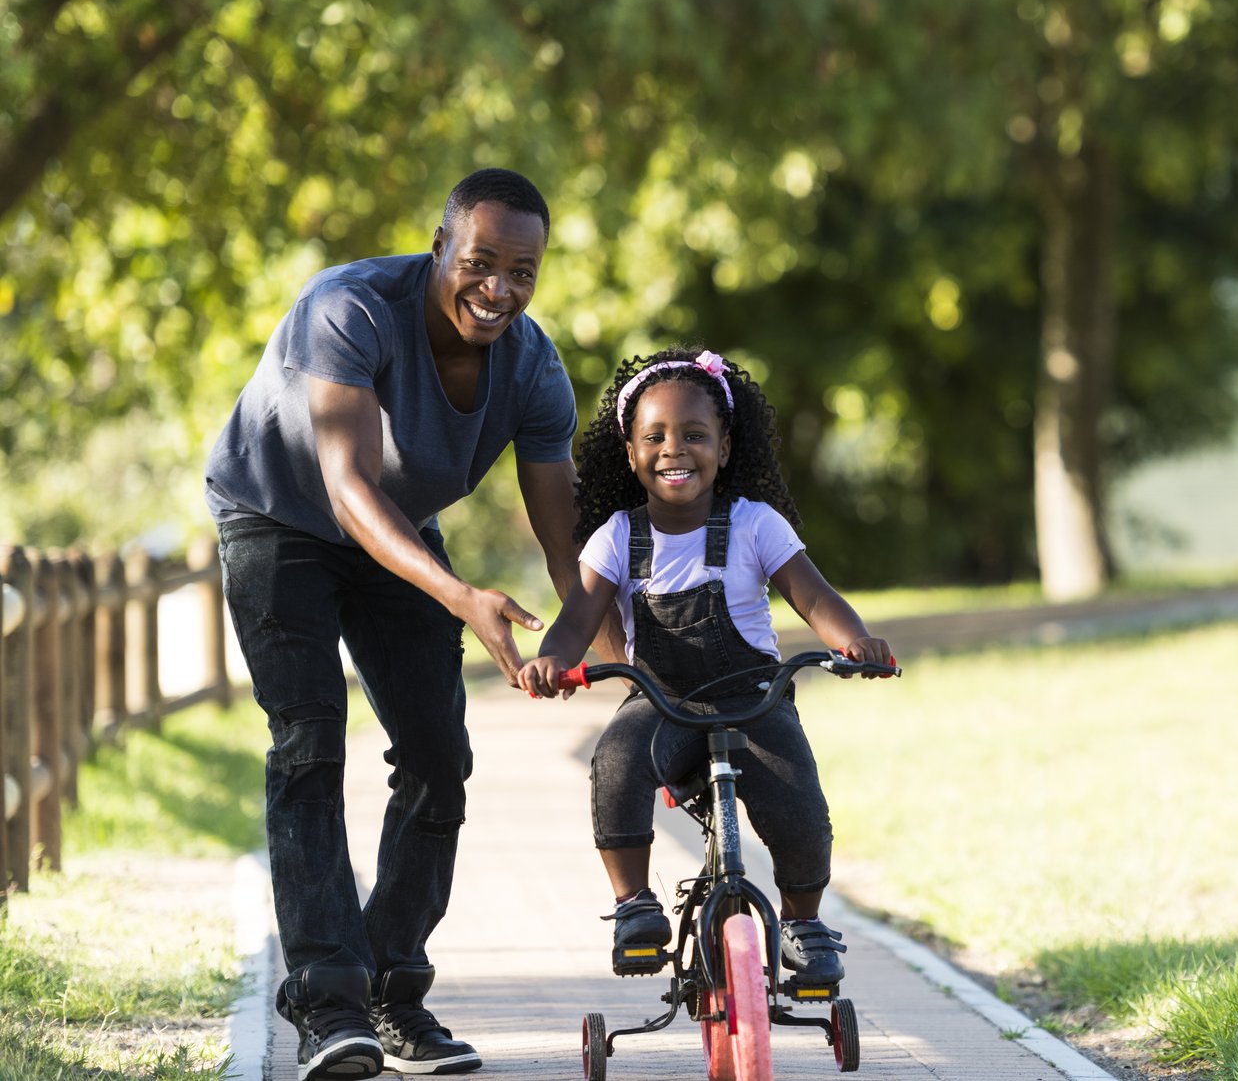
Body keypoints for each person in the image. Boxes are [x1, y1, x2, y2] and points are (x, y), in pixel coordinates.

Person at [207, 169, 594, 1079]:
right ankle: (327, 1004)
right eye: (481, 262)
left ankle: (392, 989)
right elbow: (347, 485)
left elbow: (564, 546)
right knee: (309, 744)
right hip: (275, 514)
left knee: (437, 755)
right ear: (439, 247)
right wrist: (462, 596)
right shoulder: (346, 309)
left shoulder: (533, 368)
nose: (500, 289)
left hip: (396, 534)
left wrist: (604, 656)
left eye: (523, 271)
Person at [517, 347, 893, 988]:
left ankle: (804, 923)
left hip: (754, 698)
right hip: (660, 701)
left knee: (801, 806)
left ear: (723, 446)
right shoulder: (616, 536)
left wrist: (853, 639)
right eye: (655, 436)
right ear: (630, 451)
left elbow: (813, 595)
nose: (674, 450)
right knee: (613, 761)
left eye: (694, 435)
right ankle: (635, 905)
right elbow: (578, 618)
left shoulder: (754, 524)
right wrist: (554, 660)